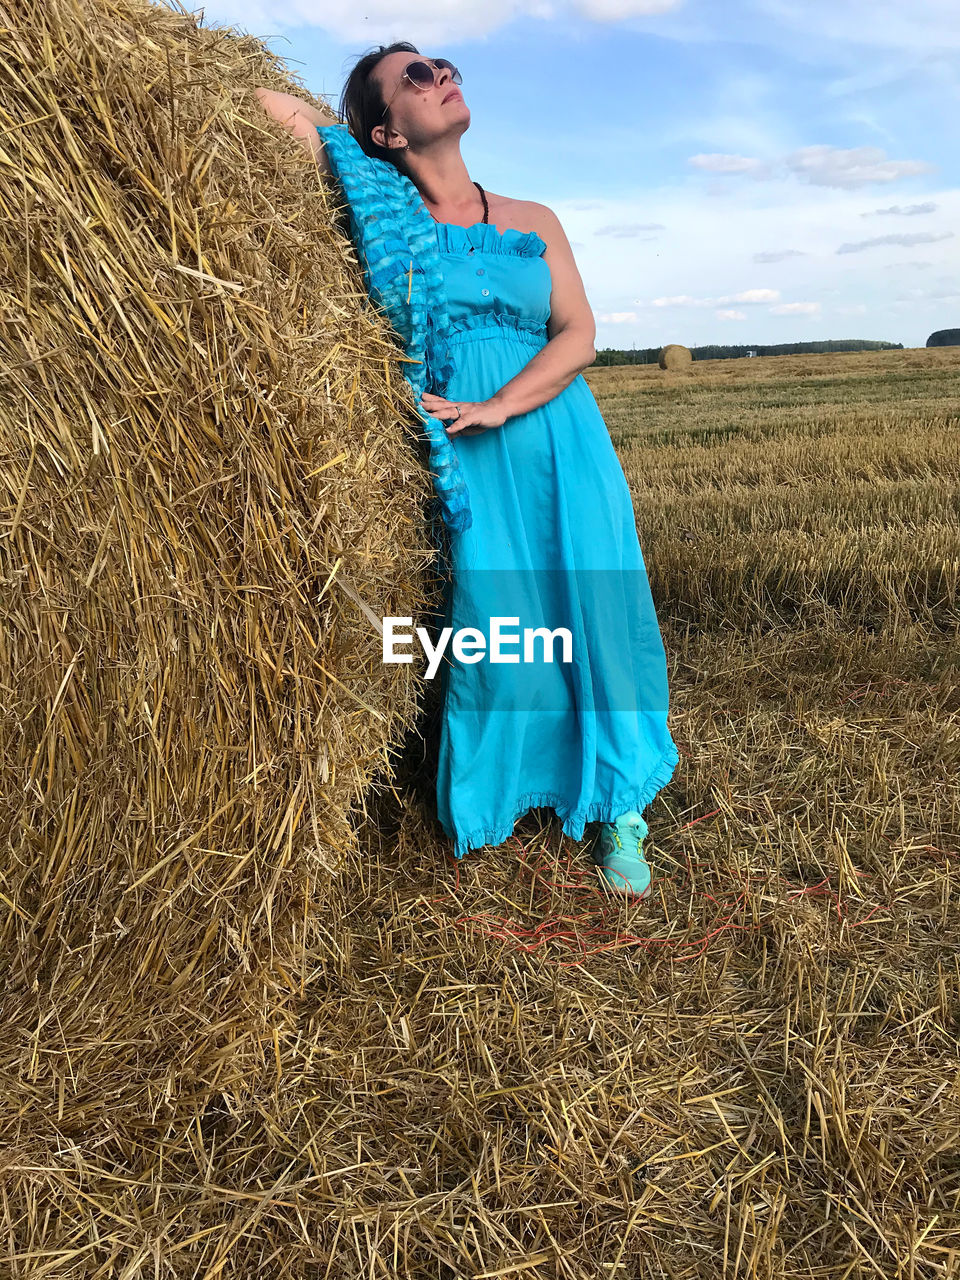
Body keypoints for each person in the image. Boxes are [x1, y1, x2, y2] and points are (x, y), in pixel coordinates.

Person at [254, 44, 679, 899]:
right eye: (414, 77)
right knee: (499, 619)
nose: (440, 75)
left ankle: (621, 804)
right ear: (384, 127)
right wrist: (351, 139)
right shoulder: (382, 209)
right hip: (464, 455)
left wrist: (501, 403)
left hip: (559, 437)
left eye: (442, 64)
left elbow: (578, 335)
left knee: (595, 605)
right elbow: (270, 105)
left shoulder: (535, 216)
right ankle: (506, 792)